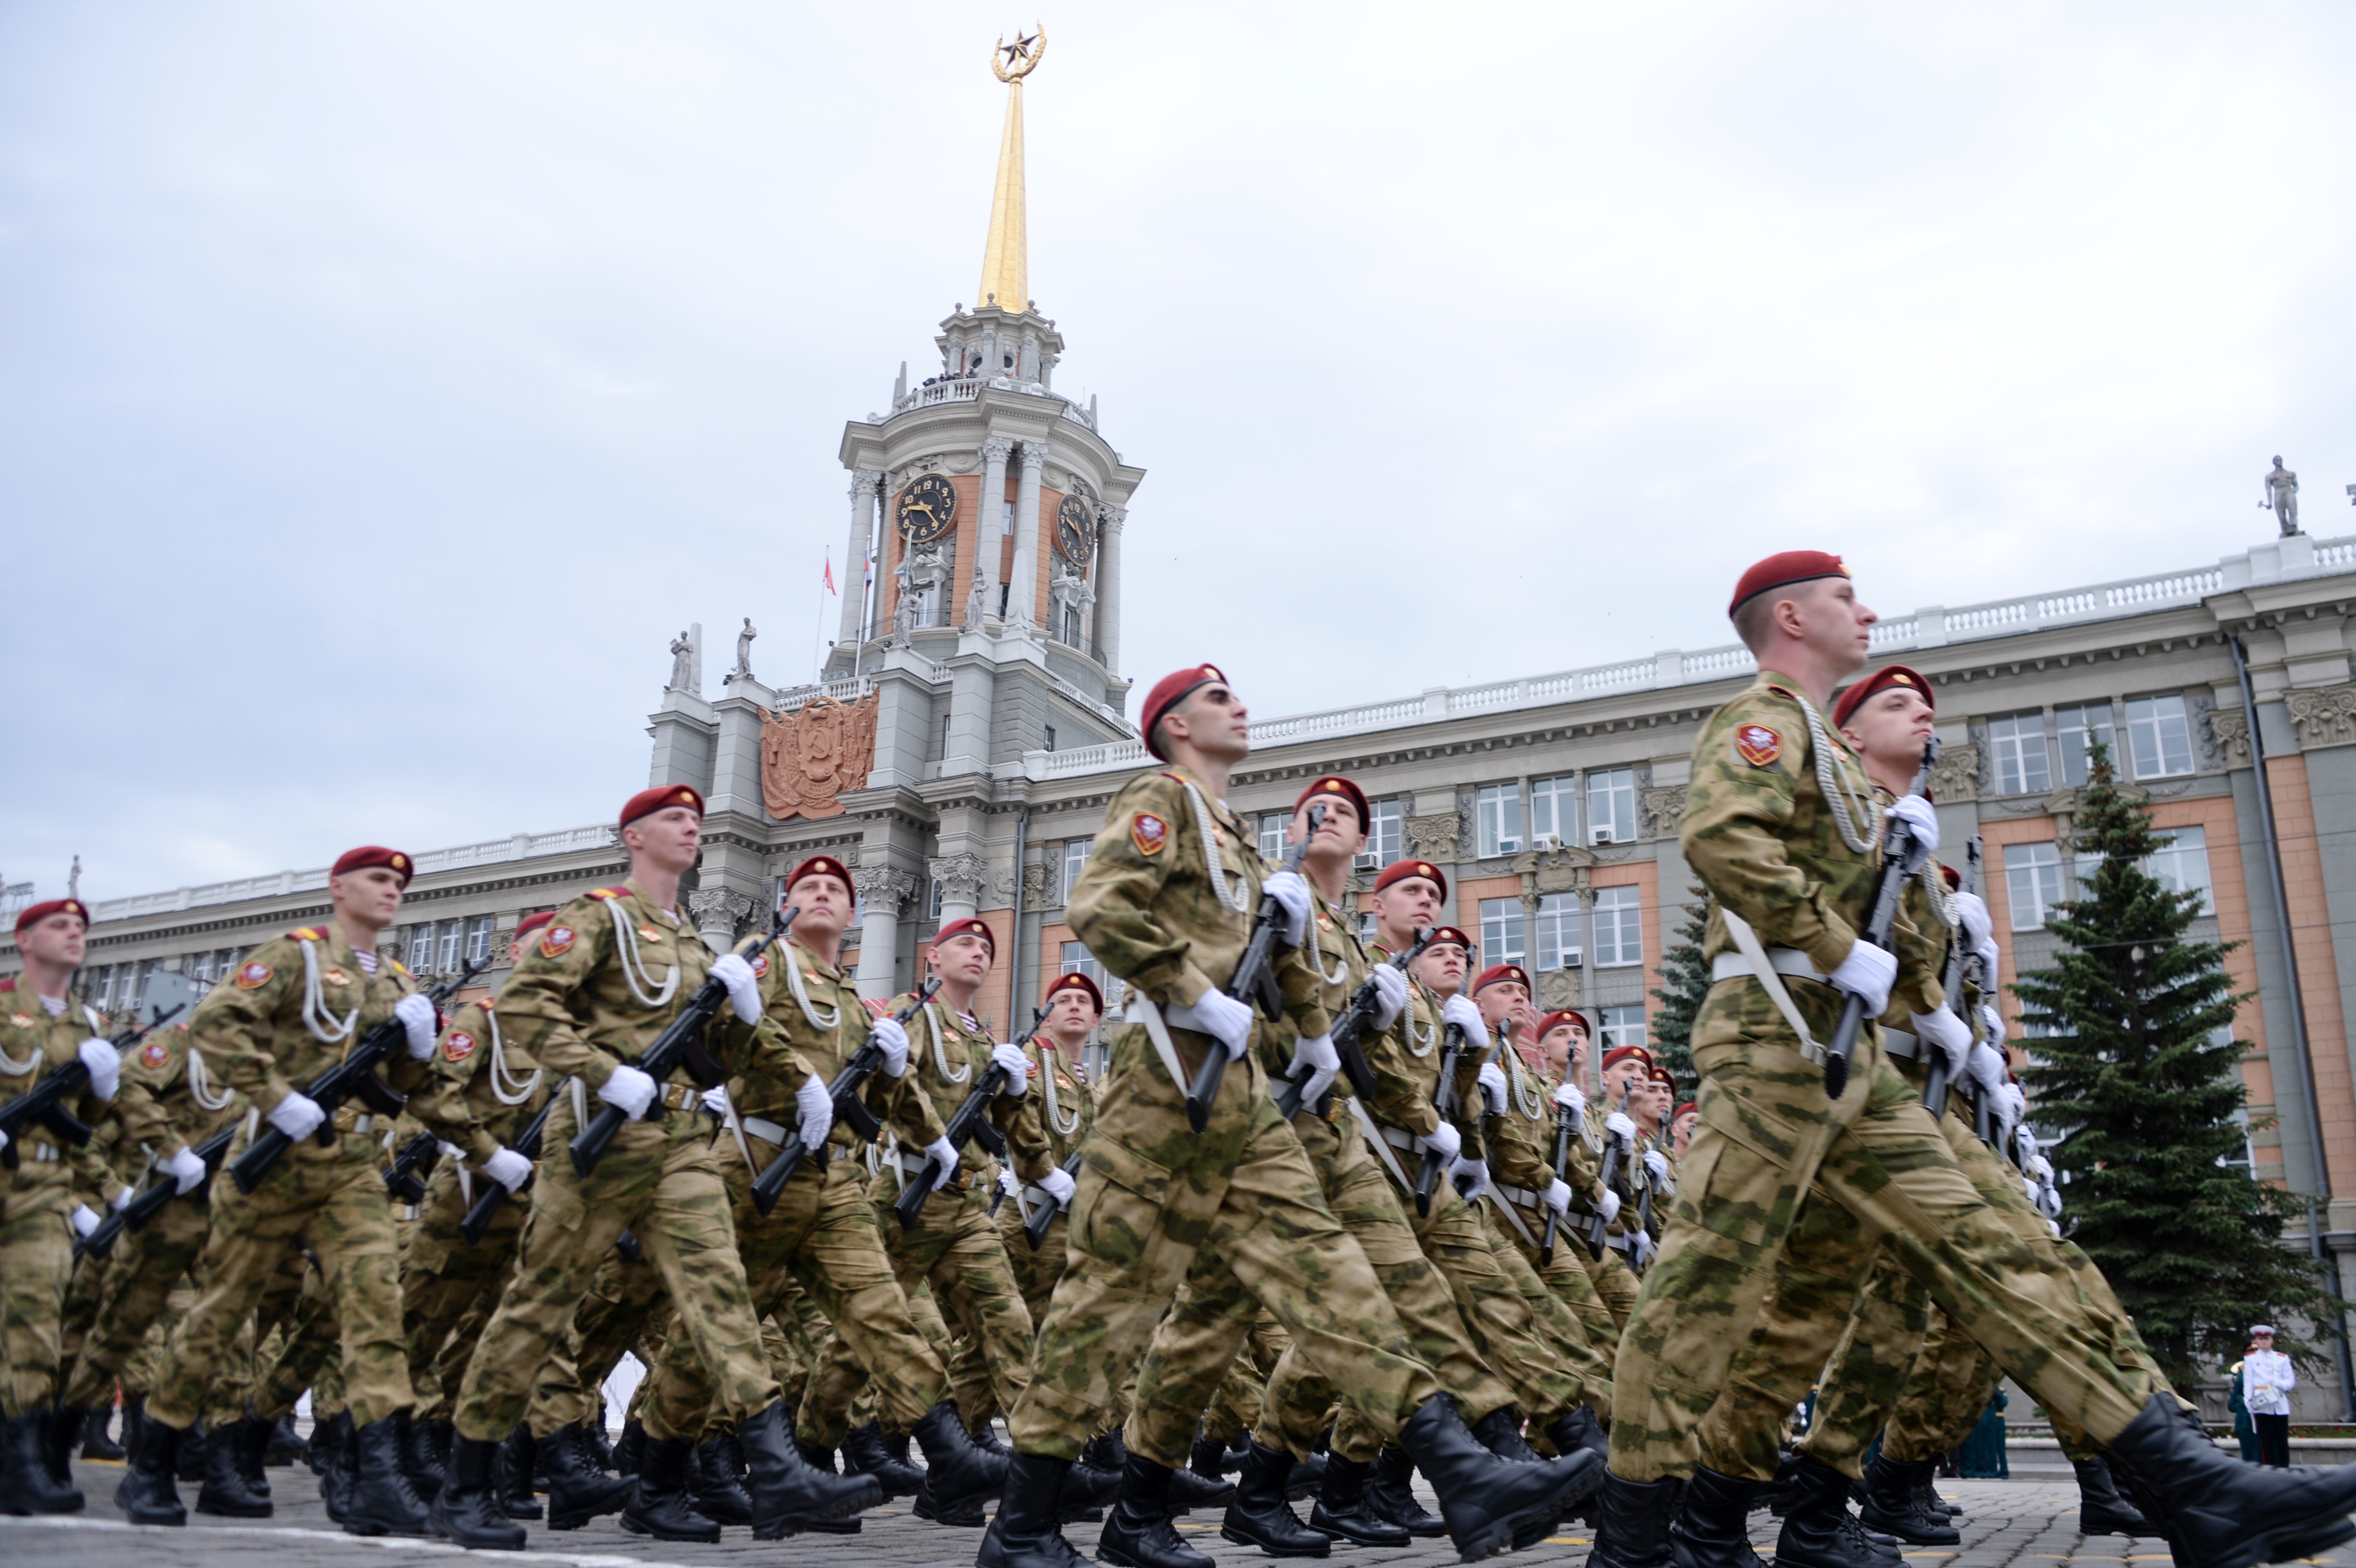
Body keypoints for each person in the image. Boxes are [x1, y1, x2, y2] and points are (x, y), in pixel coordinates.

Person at [1592, 552, 2356, 1568]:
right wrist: (1834, 947)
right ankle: (1641, 1539)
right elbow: (1720, 837)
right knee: (1707, 1285)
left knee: (1996, 1246)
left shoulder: (1835, 761)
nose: (1864, 612)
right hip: (1776, 1042)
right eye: (1842, 599)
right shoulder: (1760, 719)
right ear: (1788, 615)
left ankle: (2186, 1480)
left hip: (1854, 1060)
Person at [982, 664, 1590, 1568]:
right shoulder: (1162, 799)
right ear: (1176, 725)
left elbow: (1272, 963)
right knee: (1104, 1306)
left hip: (1242, 1102)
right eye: (1216, 699)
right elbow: (1100, 907)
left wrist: (1309, 1036)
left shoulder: (1230, 836)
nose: (1237, 706)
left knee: (1331, 1273)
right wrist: (1191, 992)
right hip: (1162, 1091)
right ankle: (1023, 1526)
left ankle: (1460, 1467)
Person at [429, 791, 875, 1547]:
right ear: (634, 836)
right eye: (673, 819)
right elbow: (528, 1010)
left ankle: (773, 1464)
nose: (690, 825)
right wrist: (602, 1072)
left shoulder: (695, 944)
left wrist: (796, 1077)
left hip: (676, 1141)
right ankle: (467, 1481)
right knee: (539, 1304)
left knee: (719, 1289)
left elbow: (728, 1037)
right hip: (598, 1142)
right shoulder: (598, 916)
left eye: (696, 819)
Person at [0, 897, 124, 1514]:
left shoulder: (88, 1027)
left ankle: (18, 1464)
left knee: (36, 1329)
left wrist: (102, 1090)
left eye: (80, 928)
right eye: (58, 925)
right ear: (24, 939)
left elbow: (90, 1126)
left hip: (45, 1193)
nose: (73, 934)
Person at [2244, 1327, 2295, 1467]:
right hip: (2261, 1404)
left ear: (2272, 1340)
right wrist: (2249, 1402)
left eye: (2267, 1339)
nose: (2264, 1342)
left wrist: (2279, 1384)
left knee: (2282, 1440)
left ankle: (2285, 1468)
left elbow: (2290, 1381)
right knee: (2266, 1441)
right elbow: (2248, 1383)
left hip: (2279, 1403)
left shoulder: (2282, 1358)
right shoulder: (2251, 1359)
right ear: (2256, 1342)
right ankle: (2270, 1469)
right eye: (2261, 1339)